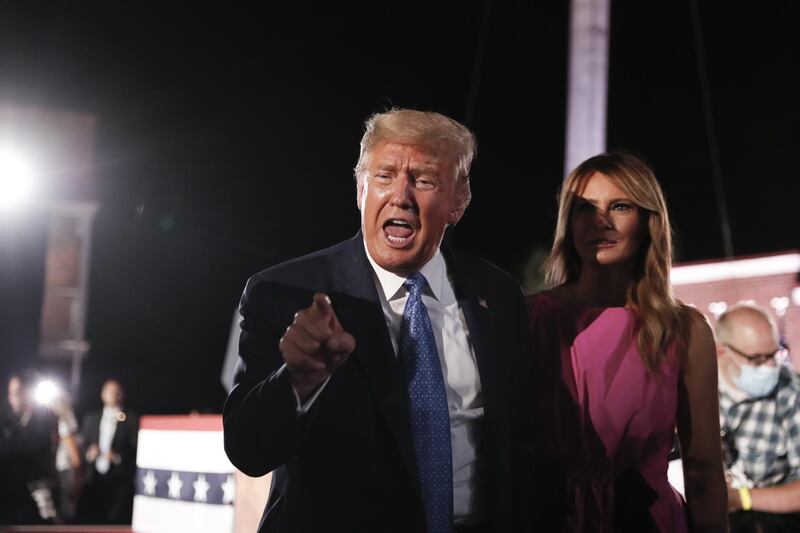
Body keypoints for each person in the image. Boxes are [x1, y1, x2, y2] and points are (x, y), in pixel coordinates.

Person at [223, 108, 530, 533]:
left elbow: (519, 446)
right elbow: (248, 449)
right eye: (384, 176)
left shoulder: (497, 295)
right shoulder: (285, 292)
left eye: (423, 180)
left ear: (459, 202)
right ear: (360, 189)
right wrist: (299, 379)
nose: (400, 196)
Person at [526, 152, 727, 531]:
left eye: (619, 206)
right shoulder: (529, 319)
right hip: (549, 519)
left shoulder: (685, 330)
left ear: (648, 221)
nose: (600, 221)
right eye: (585, 208)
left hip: (647, 521)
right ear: (569, 223)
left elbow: (703, 466)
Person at [716, 304, 800, 532]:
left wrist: (742, 498)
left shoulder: (791, 393)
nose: (771, 367)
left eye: (775, 354)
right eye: (758, 359)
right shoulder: (699, 395)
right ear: (723, 352)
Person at [0, 370, 59, 525]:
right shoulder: (7, 422)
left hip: (35, 493)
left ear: (28, 393)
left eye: (17, 392)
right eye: (11, 393)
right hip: (9, 495)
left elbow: (29, 451)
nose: (12, 398)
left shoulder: (45, 419)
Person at [77, 379, 138, 524]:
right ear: (102, 394)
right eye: (110, 391)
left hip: (119, 479)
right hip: (94, 478)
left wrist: (117, 457)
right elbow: (82, 445)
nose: (114, 395)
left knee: (114, 519)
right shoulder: (91, 418)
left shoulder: (130, 419)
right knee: (91, 518)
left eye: (117, 392)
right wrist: (89, 453)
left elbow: (135, 448)